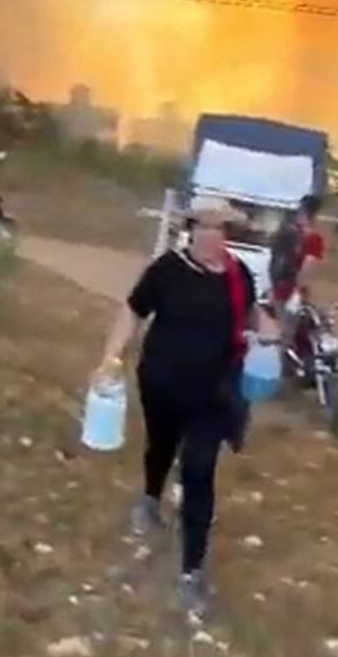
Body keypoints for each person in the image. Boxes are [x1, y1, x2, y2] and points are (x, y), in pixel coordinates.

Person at [94, 197, 256, 618]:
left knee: (199, 470)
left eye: (219, 228)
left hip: (213, 395)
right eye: (204, 227)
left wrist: (270, 329)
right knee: (161, 447)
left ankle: (191, 571)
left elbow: (250, 316)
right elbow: (132, 312)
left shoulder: (239, 276)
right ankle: (151, 497)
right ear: (191, 229)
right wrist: (111, 357)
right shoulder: (167, 270)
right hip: (162, 385)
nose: (212, 235)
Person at [269, 194, 325, 338]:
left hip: (278, 286)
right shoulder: (313, 238)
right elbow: (308, 267)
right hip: (292, 289)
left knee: (277, 328)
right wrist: (298, 292)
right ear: (314, 215)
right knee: (287, 332)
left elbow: (275, 256)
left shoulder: (286, 231)